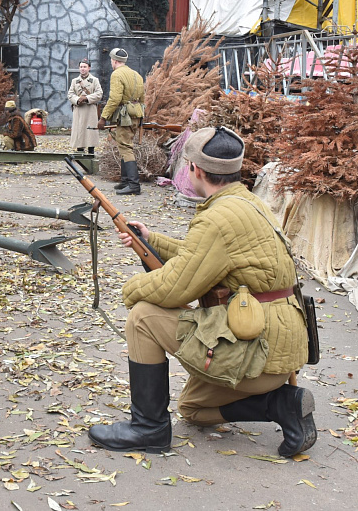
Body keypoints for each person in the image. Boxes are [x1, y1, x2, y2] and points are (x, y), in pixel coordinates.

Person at [87, 127, 315, 458]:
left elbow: (174, 289)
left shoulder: (218, 219)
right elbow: (206, 258)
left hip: (258, 354)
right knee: (192, 409)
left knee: (143, 316)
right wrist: (151, 241)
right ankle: (282, 404)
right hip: (281, 349)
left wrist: (129, 289)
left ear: (195, 168)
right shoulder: (249, 203)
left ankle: (148, 429)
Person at [98, 48, 145, 195]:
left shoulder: (117, 74)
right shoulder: (136, 74)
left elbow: (115, 99)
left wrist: (103, 117)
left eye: (111, 60)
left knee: (125, 147)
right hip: (136, 113)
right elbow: (143, 98)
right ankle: (125, 181)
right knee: (124, 146)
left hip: (126, 116)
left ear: (114, 61)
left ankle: (133, 185)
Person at [67, 59, 103, 154]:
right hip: (78, 110)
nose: (83, 69)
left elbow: (99, 94)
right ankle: (80, 152)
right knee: (79, 131)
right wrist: (77, 100)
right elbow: (70, 94)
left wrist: (87, 98)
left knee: (90, 131)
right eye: (81, 67)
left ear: (89, 68)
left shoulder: (94, 80)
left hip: (90, 109)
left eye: (85, 67)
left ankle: (91, 153)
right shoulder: (75, 81)